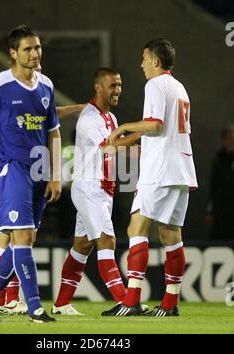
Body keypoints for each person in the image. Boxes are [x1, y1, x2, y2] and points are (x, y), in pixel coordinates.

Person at [0, 24, 62, 323]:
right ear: (13, 53)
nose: (35, 53)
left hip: (39, 170)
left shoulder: (46, 86)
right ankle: (35, 307)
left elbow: (54, 132)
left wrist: (55, 174)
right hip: (11, 170)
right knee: (21, 239)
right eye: (28, 49)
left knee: (26, 237)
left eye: (38, 48)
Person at [0, 34, 85, 315]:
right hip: (5, 175)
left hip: (28, 173)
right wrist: (80, 108)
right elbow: (50, 114)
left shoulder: (37, 92)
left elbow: (48, 117)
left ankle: (3, 297)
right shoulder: (6, 91)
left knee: (18, 238)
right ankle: (6, 299)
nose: (36, 65)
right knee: (9, 238)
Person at [102, 38, 198, 317]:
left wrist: (123, 126)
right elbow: (165, 131)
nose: (141, 64)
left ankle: (131, 300)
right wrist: (125, 141)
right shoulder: (180, 88)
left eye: (144, 58)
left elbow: (154, 126)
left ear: (155, 61)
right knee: (171, 235)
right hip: (181, 169)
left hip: (159, 170)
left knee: (136, 228)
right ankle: (170, 304)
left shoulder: (154, 85)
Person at [52, 67, 142, 315]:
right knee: (107, 240)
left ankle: (61, 304)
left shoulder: (110, 119)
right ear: (98, 88)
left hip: (104, 189)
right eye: (113, 85)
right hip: (89, 187)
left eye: (120, 85)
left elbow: (119, 149)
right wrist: (142, 131)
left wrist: (144, 151)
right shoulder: (89, 118)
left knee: (82, 246)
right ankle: (125, 301)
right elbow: (110, 147)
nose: (118, 91)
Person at [206, 123, 234, 240]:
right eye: (230, 139)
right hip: (221, 211)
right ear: (224, 140)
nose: (232, 142)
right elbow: (214, 187)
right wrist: (210, 210)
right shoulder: (219, 159)